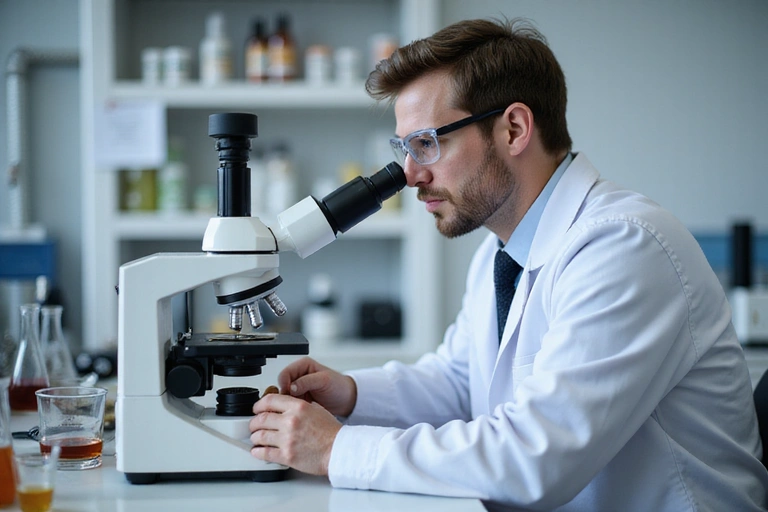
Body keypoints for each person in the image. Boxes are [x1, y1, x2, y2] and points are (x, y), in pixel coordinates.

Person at [248, 17, 768, 511]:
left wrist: (338, 450)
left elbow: (537, 458)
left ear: (514, 129)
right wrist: (353, 393)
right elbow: (459, 383)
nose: (409, 176)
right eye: (404, 149)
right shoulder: (502, 251)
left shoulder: (624, 248)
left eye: (427, 144)